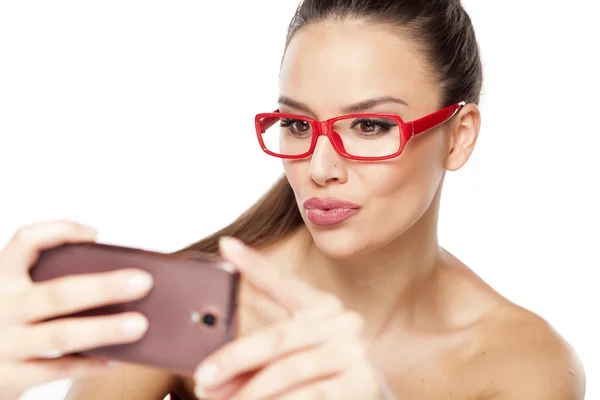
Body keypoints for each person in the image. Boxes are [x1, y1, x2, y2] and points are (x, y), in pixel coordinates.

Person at [0, 0, 586, 399]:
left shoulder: (523, 362)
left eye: (370, 127)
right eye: (298, 126)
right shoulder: (187, 302)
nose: (319, 168)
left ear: (458, 137)